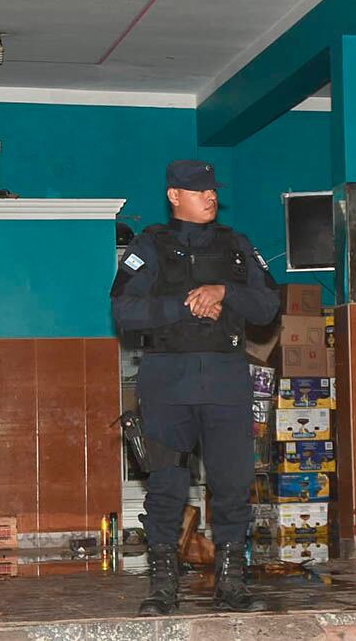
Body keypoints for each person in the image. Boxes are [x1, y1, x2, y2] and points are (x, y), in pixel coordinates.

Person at [110, 159, 279, 616]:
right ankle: (163, 588)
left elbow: (267, 306)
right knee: (165, 487)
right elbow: (124, 311)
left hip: (226, 382)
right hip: (167, 383)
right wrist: (187, 306)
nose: (210, 197)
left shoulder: (236, 246)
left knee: (232, 485)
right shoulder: (149, 246)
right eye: (198, 190)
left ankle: (231, 584)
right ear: (174, 196)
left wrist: (223, 292)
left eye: (212, 190)